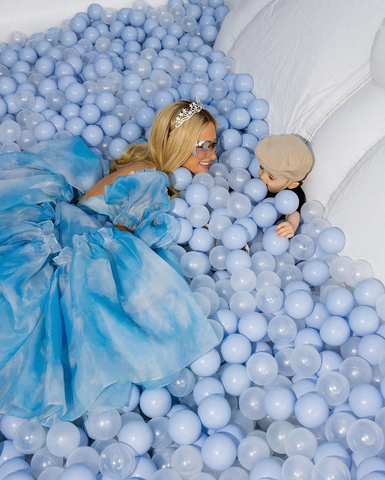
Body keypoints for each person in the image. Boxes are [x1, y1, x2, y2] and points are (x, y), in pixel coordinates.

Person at [0, 97, 219, 426]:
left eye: (213, 146)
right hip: (70, 246)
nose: (212, 156)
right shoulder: (149, 176)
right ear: (179, 144)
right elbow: (117, 241)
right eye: (203, 146)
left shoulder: (149, 172)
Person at [254, 134, 314, 238]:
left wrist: (291, 225)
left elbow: (293, 213)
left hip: (271, 234)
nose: (262, 177)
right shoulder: (259, 181)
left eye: (271, 177)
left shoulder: (293, 195)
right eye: (261, 168)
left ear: (291, 184)